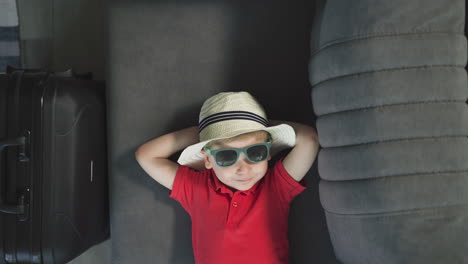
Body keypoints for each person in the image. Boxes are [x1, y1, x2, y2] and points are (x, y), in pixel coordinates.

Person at [135, 91, 319, 264]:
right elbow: (146, 156)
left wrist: (265, 127)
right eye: (226, 156)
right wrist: (199, 134)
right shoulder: (196, 188)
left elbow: (309, 139)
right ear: (208, 159)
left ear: (268, 151)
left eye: (255, 152)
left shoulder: (275, 187)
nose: (243, 169)